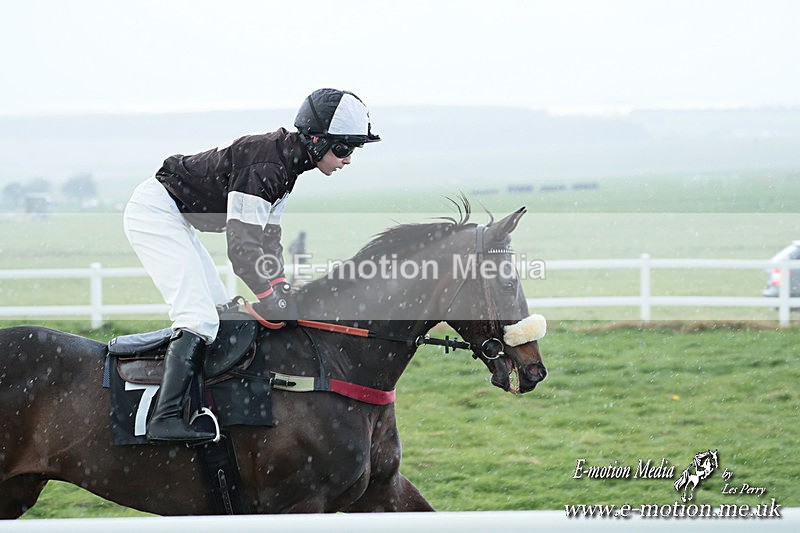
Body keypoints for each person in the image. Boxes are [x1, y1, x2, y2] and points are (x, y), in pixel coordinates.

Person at [123, 88, 380, 443]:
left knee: (221, 311)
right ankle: (164, 419)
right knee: (198, 318)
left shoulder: (288, 167)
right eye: (344, 148)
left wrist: (280, 288)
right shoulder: (267, 165)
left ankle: (206, 401)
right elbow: (243, 250)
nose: (348, 159)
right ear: (318, 141)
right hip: (155, 212)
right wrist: (268, 295)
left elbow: (268, 240)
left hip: (176, 215)